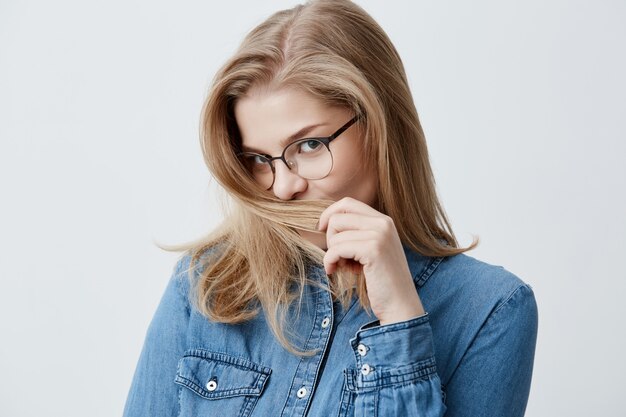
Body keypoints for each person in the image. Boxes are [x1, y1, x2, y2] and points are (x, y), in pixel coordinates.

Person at [123, 1, 538, 416]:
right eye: (259, 159)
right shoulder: (206, 284)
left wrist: (398, 322)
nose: (283, 187)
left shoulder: (492, 311)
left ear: (380, 127)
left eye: (309, 145)